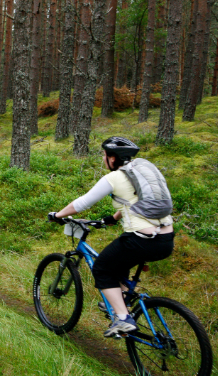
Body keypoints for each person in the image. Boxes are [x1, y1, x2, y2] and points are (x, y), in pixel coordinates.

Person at [49, 136, 175, 338]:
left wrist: (57, 215)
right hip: (165, 240)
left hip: (141, 240)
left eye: (105, 155)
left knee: (102, 268)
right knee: (118, 261)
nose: (103, 159)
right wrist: (111, 219)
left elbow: (82, 203)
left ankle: (123, 318)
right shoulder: (140, 172)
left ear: (113, 158)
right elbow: (134, 202)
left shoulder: (115, 177)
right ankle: (123, 299)